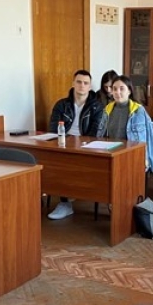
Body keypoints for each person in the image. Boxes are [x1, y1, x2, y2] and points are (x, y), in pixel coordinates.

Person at [47, 69, 104, 220]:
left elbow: (95, 134)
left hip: (86, 146)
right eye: (79, 82)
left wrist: (79, 143)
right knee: (55, 162)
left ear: (90, 86)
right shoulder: (61, 105)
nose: (82, 86)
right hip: (63, 144)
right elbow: (53, 129)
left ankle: (69, 198)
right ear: (73, 83)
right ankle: (65, 203)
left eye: (85, 83)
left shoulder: (97, 106)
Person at [96, 75, 153, 176]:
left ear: (129, 91)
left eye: (121, 88)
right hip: (112, 155)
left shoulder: (138, 111)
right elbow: (100, 135)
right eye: (115, 89)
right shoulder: (107, 110)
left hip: (133, 156)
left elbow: (150, 138)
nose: (117, 92)